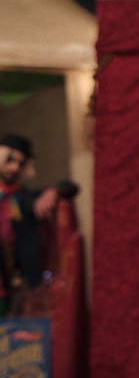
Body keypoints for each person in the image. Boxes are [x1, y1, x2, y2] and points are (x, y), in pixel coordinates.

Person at [0, 134, 77, 315]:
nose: (15, 168)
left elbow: (71, 186)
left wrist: (55, 191)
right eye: (10, 161)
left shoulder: (25, 199)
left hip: (19, 282)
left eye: (20, 163)